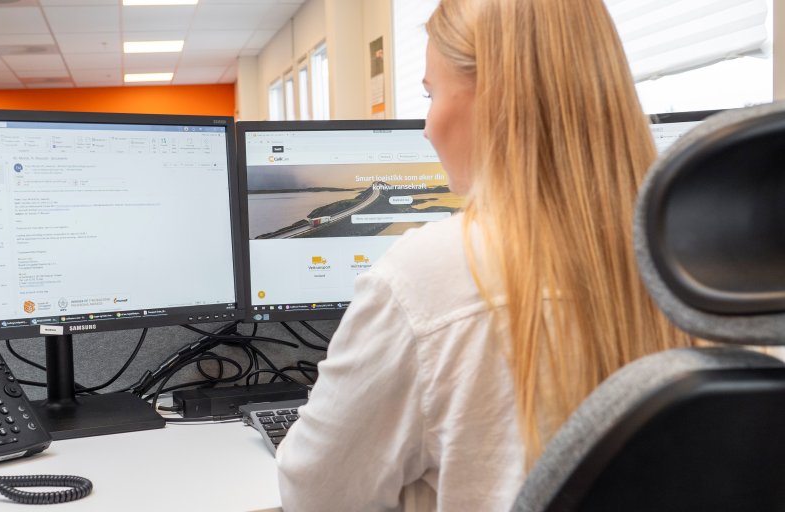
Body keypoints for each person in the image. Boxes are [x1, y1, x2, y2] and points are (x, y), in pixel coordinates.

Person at [275, 0, 694, 510]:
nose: (427, 127)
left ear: (497, 100)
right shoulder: (703, 263)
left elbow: (315, 493)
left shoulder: (425, 275)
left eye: (431, 95)